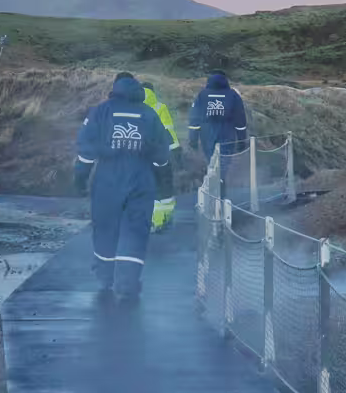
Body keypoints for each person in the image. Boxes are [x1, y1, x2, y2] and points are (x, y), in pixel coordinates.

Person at [73, 72, 172, 295]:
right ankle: (128, 282)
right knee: (136, 230)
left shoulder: (101, 111)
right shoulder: (149, 114)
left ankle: (105, 277)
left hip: (107, 180)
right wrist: (162, 179)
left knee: (105, 227)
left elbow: (87, 150)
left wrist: (80, 178)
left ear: (115, 88)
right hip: (141, 180)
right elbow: (161, 154)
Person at [139, 80, 183, 232]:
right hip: (159, 154)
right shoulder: (160, 107)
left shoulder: (132, 106)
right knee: (162, 187)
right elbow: (168, 130)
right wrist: (176, 151)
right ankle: (162, 220)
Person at [187, 69, 249, 163]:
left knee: (211, 160)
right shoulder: (233, 95)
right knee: (224, 161)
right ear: (226, 80)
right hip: (227, 133)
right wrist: (242, 140)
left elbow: (195, 118)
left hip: (207, 132)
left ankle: (213, 175)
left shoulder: (202, 95)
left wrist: (193, 139)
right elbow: (240, 120)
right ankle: (222, 177)